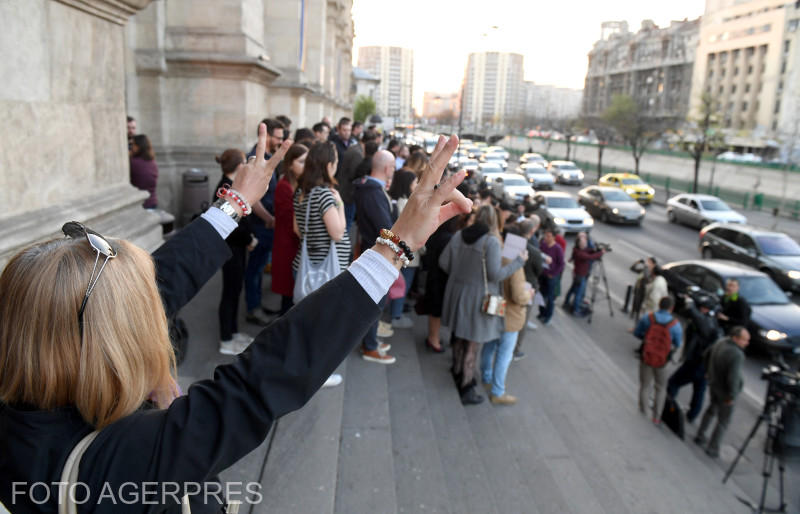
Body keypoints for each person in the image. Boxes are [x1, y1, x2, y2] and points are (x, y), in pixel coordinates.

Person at [0, 125, 472, 513]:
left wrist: (233, 205)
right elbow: (254, 385)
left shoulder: (29, 407)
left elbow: (157, 283)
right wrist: (394, 248)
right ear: (105, 344)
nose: (153, 313)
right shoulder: (108, 465)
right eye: (138, 314)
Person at [439, 205, 527, 405]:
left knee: (459, 336)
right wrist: (517, 263)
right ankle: (466, 386)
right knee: (473, 343)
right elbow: (496, 275)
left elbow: (444, 263)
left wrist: (460, 275)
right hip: (478, 298)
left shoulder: (459, 235)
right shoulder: (491, 242)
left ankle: (457, 370)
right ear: (494, 221)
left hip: (456, 293)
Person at [293, 142, 351, 387]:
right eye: (335, 161)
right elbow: (338, 233)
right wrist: (341, 205)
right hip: (324, 272)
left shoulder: (301, 192)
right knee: (323, 326)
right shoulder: (326, 194)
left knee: (309, 324)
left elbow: (297, 230)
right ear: (329, 165)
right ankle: (318, 374)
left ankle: (306, 367)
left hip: (306, 268)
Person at [353, 150, 398, 363]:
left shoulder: (367, 187)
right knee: (375, 302)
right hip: (377, 254)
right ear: (388, 168)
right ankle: (369, 347)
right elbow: (386, 228)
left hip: (370, 249)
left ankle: (370, 341)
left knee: (375, 301)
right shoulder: (373, 191)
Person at [481, 225, 533, 406]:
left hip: (495, 310)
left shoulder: (498, 255)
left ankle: (486, 376)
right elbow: (519, 296)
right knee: (504, 354)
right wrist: (529, 295)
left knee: (489, 346)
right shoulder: (515, 264)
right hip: (510, 316)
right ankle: (497, 391)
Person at [213, 149, 258, 355]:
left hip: (236, 249)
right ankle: (226, 339)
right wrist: (248, 238)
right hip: (230, 249)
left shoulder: (231, 185)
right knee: (230, 293)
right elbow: (230, 224)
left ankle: (233, 331)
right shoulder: (224, 187)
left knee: (235, 290)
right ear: (239, 166)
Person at [244, 118, 285, 326]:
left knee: (259, 268)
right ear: (267, 136)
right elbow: (253, 195)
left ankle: (257, 304)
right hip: (261, 224)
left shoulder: (269, 156)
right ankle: (253, 308)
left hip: (267, 223)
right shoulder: (257, 158)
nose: (280, 141)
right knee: (254, 269)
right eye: (278, 137)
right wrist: (268, 218)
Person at [695, 326, 750, 458]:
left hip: (714, 385)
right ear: (736, 338)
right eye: (744, 340)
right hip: (725, 392)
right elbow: (734, 377)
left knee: (711, 411)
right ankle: (713, 448)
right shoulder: (737, 354)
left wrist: (708, 372)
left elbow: (706, 354)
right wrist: (732, 395)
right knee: (723, 421)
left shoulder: (721, 341)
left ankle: (700, 435)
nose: (746, 343)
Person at [667, 295, 722, 423]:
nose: (701, 310)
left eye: (703, 308)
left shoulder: (706, 322)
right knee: (699, 390)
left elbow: (698, 318)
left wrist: (691, 305)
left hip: (696, 363)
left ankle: (669, 408)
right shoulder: (712, 321)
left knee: (674, 382)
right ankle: (692, 415)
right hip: (703, 365)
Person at [634, 296, 683, 425]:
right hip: (663, 361)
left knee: (645, 385)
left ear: (659, 305)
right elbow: (678, 343)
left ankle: (643, 411)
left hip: (647, 356)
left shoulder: (648, 318)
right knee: (661, 388)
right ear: (671, 308)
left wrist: (646, 340)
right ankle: (656, 417)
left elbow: (637, 333)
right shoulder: (675, 324)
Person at [271, 143, 307, 315]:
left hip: (295, 243)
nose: (305, 166)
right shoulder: (284, 185)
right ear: (290, 163)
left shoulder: (300, 182)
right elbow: (292, 219)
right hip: (287, 244)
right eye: (301, 162)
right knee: (288, 293)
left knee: (294, 293)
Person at [418, 216, 461, 353]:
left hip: (432, 274)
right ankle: (433, 340)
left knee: (433, 309)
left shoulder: (436, 233)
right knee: (436, 311)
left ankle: (433, 337)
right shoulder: (448, 238)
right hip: (440, 278)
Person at [387, 168, 419, 328]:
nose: (417, 184)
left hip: (401, 251)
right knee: (403, 284)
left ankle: (395, 312)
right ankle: (396, 316)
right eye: (414, 182)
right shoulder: (406, 204)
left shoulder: (397, 201)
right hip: (408, 252)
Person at [514, 216, 544, 360]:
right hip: (527, 288)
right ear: (532, 231)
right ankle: (515, 350)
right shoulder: (534, 251)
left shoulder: (512, 243)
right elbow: (539, 271)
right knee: (522, 321)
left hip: (510, 282)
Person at [337, 131, 378, 232]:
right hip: (348, 194)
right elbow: (354, 175)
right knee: (347, 224)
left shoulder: (355, 148)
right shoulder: (358, 153)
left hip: (345, 192)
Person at [563, 232, 605, 316]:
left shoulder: (577, 249)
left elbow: (588, 251)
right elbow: (590, 257)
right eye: (584, 243)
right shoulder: (581, 254)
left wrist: (595, 250)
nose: (586, 244)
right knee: (578, 293)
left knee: (572, 289)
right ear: (581, 244)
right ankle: (576, 309)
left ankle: (566, 303)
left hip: (577, 274)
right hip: (580, 275)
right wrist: (601, 253)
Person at [538, 228, 564, 325]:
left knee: (549, 298)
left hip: (551, 277)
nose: (546, 238)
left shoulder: (558, 249)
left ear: (553, 237)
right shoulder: (543, 245)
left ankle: (548, 316)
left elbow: (561, 264)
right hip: (542, 274)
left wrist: (553, 274)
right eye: (545, 235)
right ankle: (542, 313)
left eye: (548, 236)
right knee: (541, 295)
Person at [129, 134, 159, 209]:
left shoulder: (133, 162)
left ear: (138, 146)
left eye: (133, 144)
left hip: (140, 204)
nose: (131, 147)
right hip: (152, 201)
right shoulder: (152, 161)